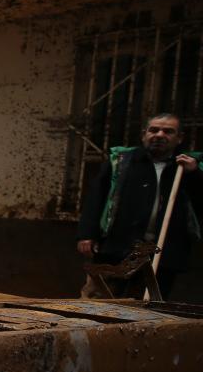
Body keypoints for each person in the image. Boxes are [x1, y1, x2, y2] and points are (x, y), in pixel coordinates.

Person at [77, 113, 203, 299]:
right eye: (154, 130)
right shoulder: (121, 162)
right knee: (98, 303)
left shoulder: (187, 167)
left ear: (180, 138)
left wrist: (193, 175)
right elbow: (96, 197)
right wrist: (87, 234)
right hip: (117, 249)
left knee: (147, 309)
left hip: (162, 253)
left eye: (168, 131)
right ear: (144, 134)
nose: (159, 134)